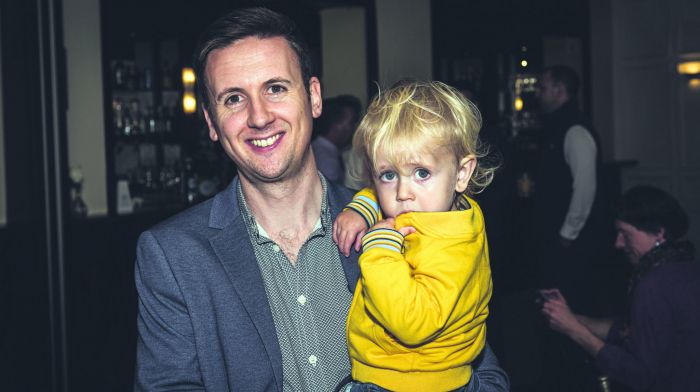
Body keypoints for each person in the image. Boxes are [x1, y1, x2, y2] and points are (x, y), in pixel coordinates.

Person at [133, 7, 509, 392]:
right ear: (212, 123)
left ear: (314, 97)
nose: (259, 116)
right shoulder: (173, 255)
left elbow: (483, 373)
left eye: (276, 88)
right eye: (233, 99)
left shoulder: (405, 218)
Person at [333, 81, 495, 391]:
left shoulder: (453, 245)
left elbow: (413, 322)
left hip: (412, 382)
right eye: (388, 174)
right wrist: (361, 209)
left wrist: (379, 248)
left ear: (462, 173)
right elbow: (376, 195)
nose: (403, 192)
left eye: (422, 173)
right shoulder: (443, 207)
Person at [540, 185, 700, 392]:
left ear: (659, 233)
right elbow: (630, 330)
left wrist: (575, 330)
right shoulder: (683, 266)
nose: (618, 243)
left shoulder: (654, 284)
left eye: (626, 234)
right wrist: (570, 317)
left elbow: (640, 376)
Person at [311, 95, 362, 184]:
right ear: (335, 124)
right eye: (351, 122)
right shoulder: (327, 161)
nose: (355, 128)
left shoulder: (318, 148)